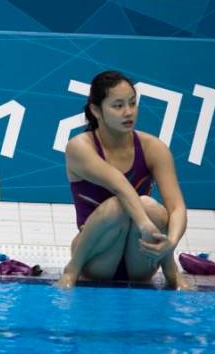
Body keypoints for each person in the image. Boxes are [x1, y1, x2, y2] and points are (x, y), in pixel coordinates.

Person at [57, 71, 188, 289]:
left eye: (132, 103)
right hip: (96, 257)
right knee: (119, 206)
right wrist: (144, 223)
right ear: (96, 110)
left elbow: (177, 207)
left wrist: (171, 242)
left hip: (140, 258)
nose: (128, 112)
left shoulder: (153, 148)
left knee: (151, 206)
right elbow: (119, 184)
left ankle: (171, 272)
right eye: (118, 106)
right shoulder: (80, 147)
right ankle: (72, 269)